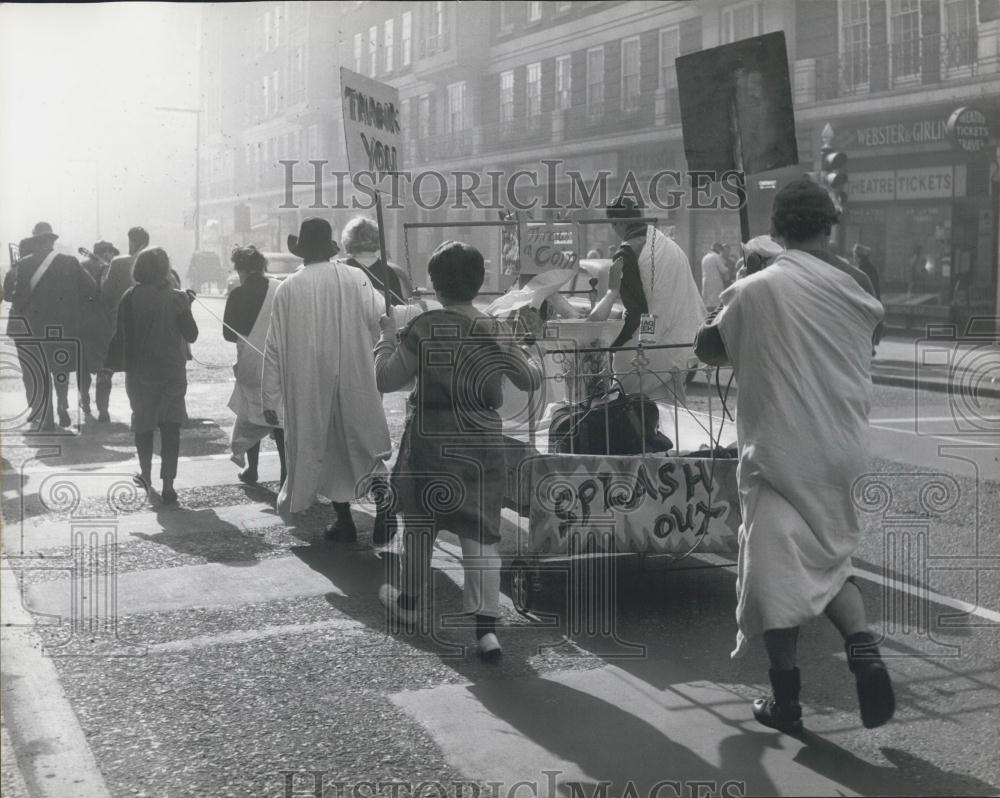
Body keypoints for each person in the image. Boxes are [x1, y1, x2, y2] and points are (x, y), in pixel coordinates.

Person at [693, 177, 892, 734]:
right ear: (830, 226)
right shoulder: (853, 281)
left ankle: (786, 701)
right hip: (842, 446)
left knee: (776, 575)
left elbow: (709, 348)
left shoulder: (758, 288)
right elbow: (875, 326)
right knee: (829, 560)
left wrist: (738, 284)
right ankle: (864, 651)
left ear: (777, 228)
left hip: (783, 451)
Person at [374, 241, 541, 659]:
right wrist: (523, 343)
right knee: (481, 531)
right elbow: (530, 380)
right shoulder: (495, 328)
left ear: (435, 283)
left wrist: (385, 339)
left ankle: (410, 604)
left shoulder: (423, 327)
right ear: (479, 282)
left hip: (430, 436)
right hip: (481, 439)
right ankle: (486, 631)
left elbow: (386, 379)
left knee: (419, 524)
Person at [261, 217, 391, 541]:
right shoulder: (355, 278)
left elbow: (273, 346)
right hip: (355, 377)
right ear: (330, 248)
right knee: (364, 444)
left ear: (301, 251)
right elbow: (381, 318)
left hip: (309, 385)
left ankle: (344, 520)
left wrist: (269, 397)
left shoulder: (288, 288)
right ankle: (382, 504)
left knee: (326, 450)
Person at [589, 197, 705, 403]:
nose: (614, 229)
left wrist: (614, 344)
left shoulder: (626, 253)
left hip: (651, 349)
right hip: (681, 342)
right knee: (670, 419)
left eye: (613, 224)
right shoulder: (670, 246)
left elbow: (639, 313)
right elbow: (653, 309)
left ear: (619, 222)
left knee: (634, 410)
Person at [111, 247, 198, 504]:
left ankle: (146, 476)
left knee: (144, 424)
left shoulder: (130, 296)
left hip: (140, 371)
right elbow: (191, 334)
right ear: (164, 269)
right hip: (172, 370)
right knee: (171, 425)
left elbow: (122, 335)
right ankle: (169, 484)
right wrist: (187, 305)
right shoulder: (177, 298)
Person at [5, 222, 97, 431]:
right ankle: (63, 405)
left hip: (35, 329)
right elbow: (91, 290)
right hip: (64, 327)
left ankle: (46, 416)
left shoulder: (25, 264)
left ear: (35, 241)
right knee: (60, 367)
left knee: (40, 371)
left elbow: (18, 299)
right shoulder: (71, 262)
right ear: (52, 241)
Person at [223, 245, 286, 487]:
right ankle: (286, 474)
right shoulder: (279, 289)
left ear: (241, 269)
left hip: (249, 362)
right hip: (277, 361)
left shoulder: (238, 294)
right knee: (279, 418)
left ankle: (252, 469)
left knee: (252, 415)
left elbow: (228, 335)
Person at [96, 226, 149, 422]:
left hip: (119, 323)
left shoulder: (119, 263)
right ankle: (144, 409)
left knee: (106, 368)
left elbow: (107, 293)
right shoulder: (157, 262)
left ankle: (103, 410)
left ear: (132, 242)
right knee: (141, 370)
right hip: (146, 325)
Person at [78, 241, 120, 416]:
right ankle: (103, 409)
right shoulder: (110, 268)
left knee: (83, 365)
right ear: (107, 252)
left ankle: (85, 401)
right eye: (112, 252)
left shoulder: (81, 266)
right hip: (104, 324)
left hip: (83, 322)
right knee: (104, 368)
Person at [339, 216, 411, 306]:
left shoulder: (340, 269)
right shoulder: (392, 272)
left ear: (347, 240)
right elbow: (399, 309)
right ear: (377, 239)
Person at [701, 242, 731, 309]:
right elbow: (723, 270)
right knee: (716, 302)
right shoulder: (716, 256)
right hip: (715, 281)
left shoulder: (705, 257)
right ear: (718, 249)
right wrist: (728, 269)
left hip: (705, 281)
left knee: (708, 302)